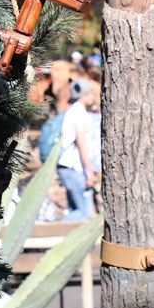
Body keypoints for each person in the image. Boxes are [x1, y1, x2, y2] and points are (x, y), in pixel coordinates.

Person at [56, 78, 97, 221]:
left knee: (75, 209)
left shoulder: (71, 111)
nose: (94, 95)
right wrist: (89, 171)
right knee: (83, 212)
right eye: (91, 93)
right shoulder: (79, 112)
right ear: (83, 95)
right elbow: (81, 142)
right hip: (73, 168)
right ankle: (55, 232)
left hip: (66, 168)